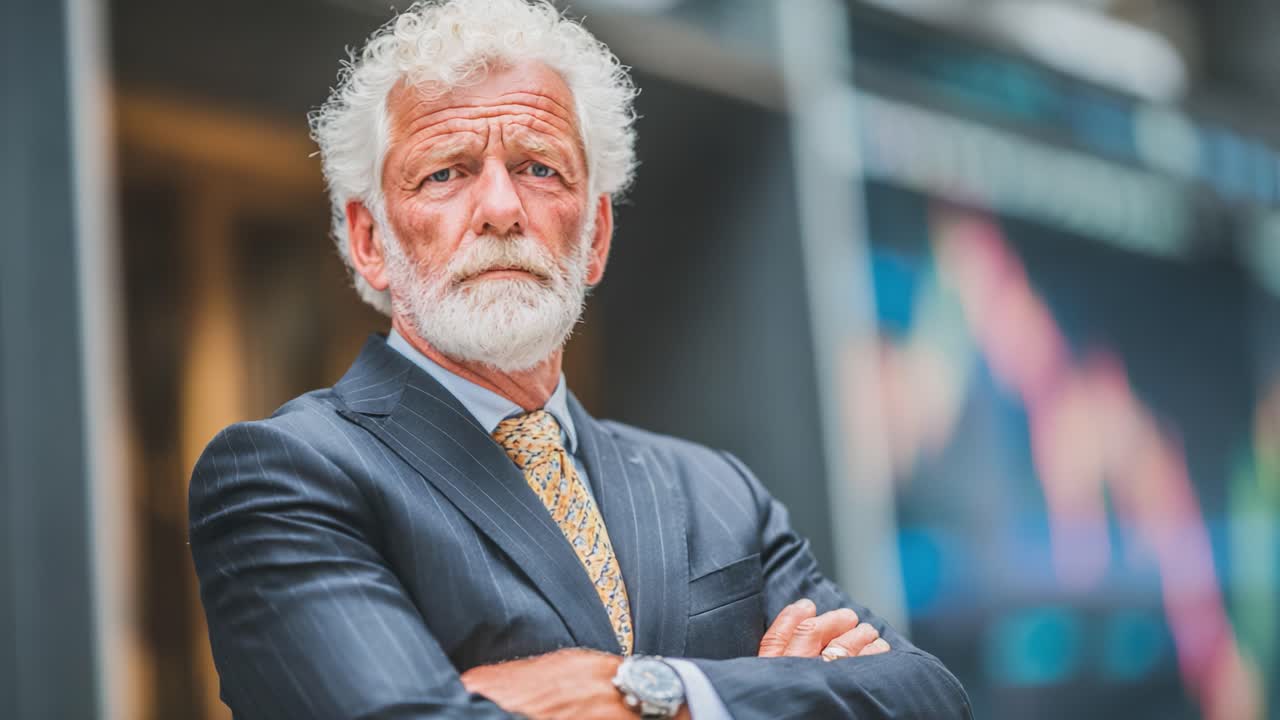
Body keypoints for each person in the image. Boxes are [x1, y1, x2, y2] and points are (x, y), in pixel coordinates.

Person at [188, 1, 972, 718]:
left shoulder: (719, 494)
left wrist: (657, 690)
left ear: (595, 235)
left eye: (539, 168)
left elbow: (928, 697)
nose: (501, 209)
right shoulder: (285, 476)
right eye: (445, 173)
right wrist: (766, 694)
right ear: (370, 241)